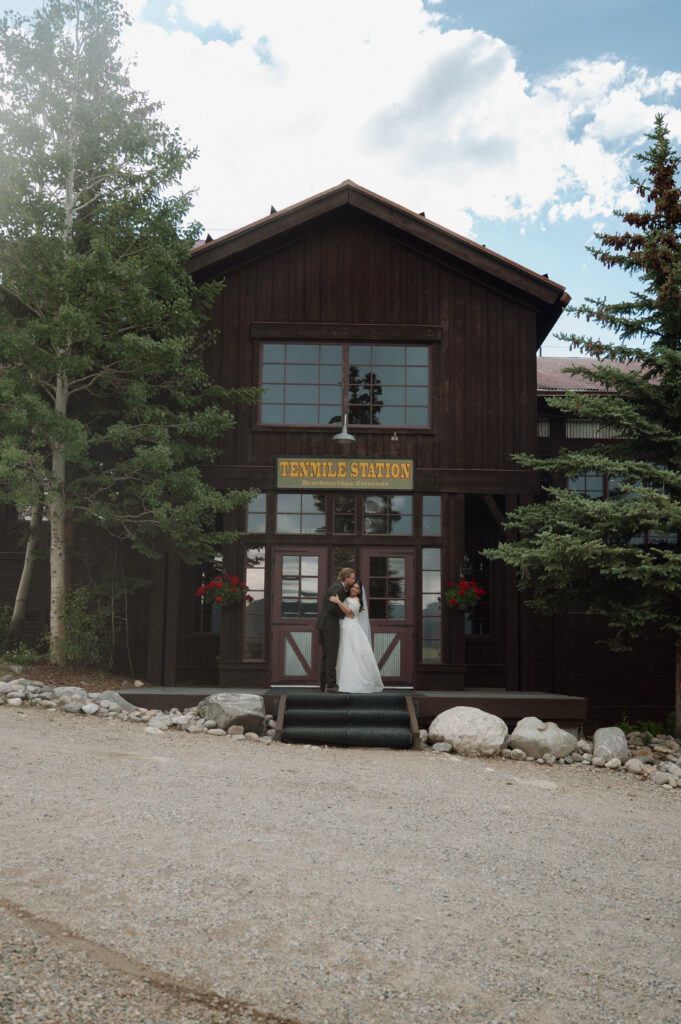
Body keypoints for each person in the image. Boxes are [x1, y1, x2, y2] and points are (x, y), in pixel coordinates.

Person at [329, 580, 384, 693]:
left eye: (357, 588)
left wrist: (338, 601)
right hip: (344, 627)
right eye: (353, 587)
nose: (354, 589)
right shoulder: (347, 597)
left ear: (359, 592)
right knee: (343, 653)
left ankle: (353, 681)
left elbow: (349, 613)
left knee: (351, 653)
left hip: (351, 629)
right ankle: (341, 680)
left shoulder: (356, 600)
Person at [315, 567, 356, 692]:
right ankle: (331, 685)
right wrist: (345, 615)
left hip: (324, 625)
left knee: (326, 656)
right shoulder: (338, 588)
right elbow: (333, 607)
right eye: (353, 578)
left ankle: (324, 685)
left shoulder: (337, 587)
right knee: (331, 656)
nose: (354, 580)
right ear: (346, 578)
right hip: (329, 626)